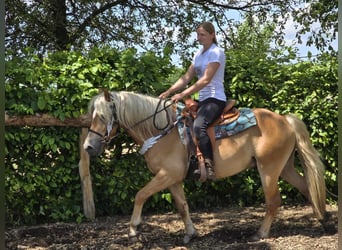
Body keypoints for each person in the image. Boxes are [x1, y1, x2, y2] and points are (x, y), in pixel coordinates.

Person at [159, 22, 227, 180]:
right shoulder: (198, 54)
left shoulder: (216, 53)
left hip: (215, 99)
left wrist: (182, 94)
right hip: (202, 100)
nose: (199, 37)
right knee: (182, 123)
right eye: (198, 34)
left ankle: (210, 165)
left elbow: (205, 80)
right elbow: (186, 77)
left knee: (198, 126)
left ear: (212, 35)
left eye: (203, 34)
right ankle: (193, 161)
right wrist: (169, 91)